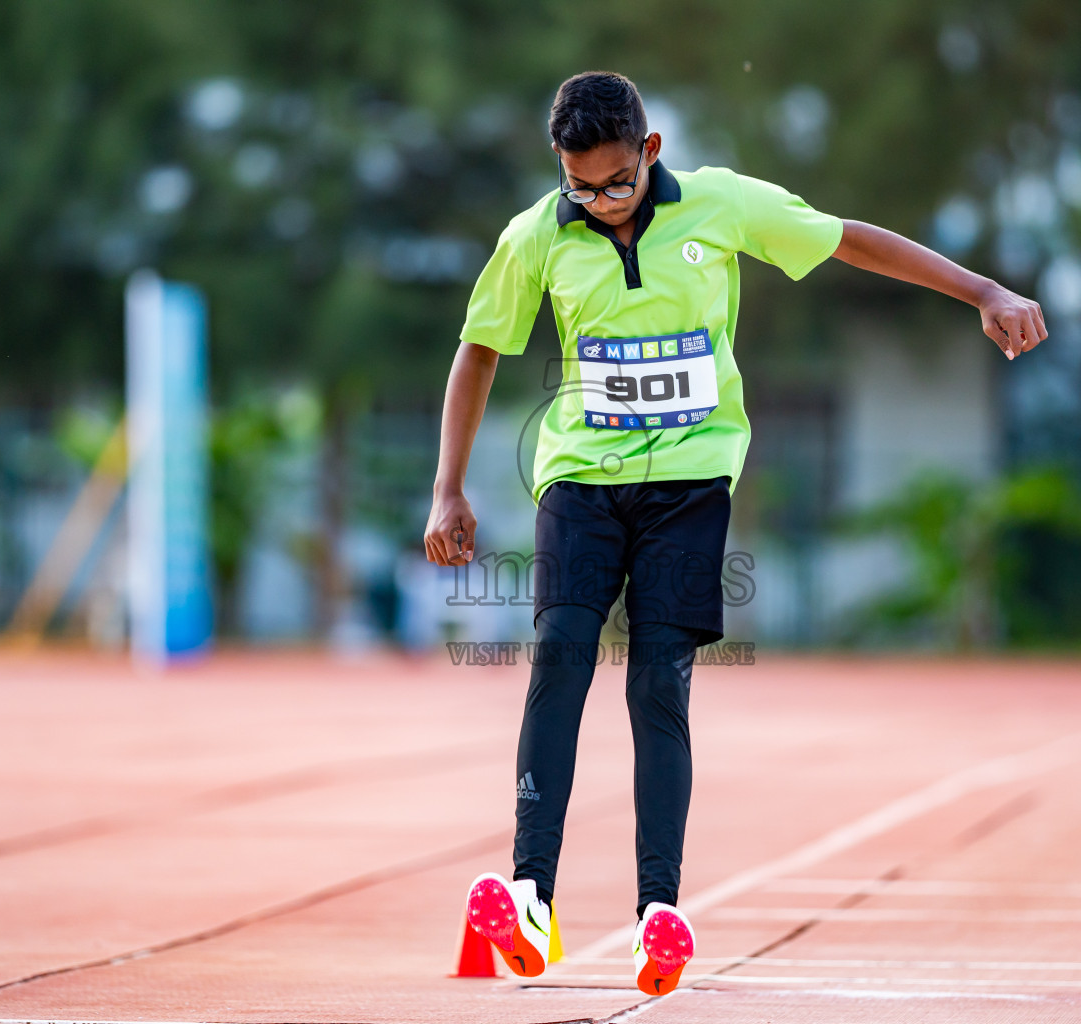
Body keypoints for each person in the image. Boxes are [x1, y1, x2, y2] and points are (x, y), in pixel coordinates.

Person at [425, 70, 1044, 994]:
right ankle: (531, 901)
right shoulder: (536, 237)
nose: (598, 203)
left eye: (617, 183)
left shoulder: (719, 206)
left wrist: (982, 288)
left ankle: (657, 915)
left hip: (690, 481)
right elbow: (478, 348)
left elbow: (850, 243)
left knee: (658, 683)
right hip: (581, 479)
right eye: (579, 186)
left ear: (652, 154)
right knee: (559, 649)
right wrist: (448, 489)